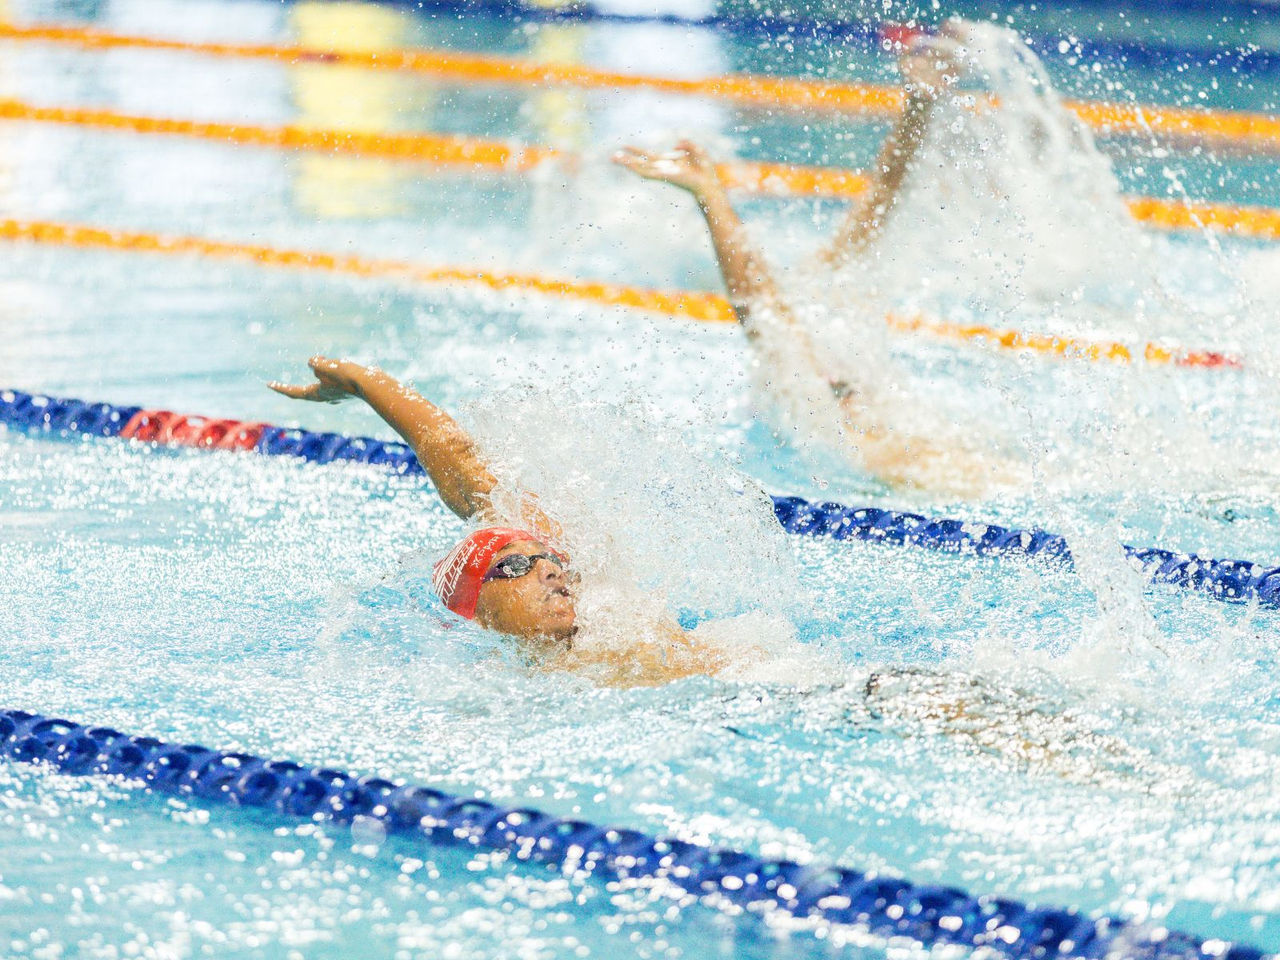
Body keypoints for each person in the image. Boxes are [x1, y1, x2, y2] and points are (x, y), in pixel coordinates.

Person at [613, 29, 1030, 501]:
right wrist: (709, 196)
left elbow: (874, 209)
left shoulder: (846, 406)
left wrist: (919, 105)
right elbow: (763, 310)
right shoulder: (843, 430)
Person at [270, 356, 741, 686]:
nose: (552, 569)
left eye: (548, 558)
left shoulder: (613, 618)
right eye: (516, 567)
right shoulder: (501, 680)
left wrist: (361, 381)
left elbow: (464, 469)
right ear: (478, 611)